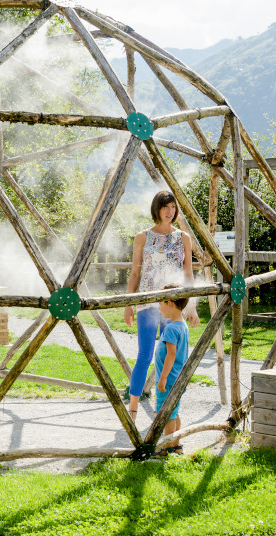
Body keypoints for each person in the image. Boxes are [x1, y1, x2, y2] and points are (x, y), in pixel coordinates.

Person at [124, 190, 199, 422]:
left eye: (173, 208)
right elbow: (135, 272)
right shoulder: (142, 237)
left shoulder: (183, 237)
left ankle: (167, 409)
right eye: (166, 207)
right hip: (147, 303)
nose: (170, 212)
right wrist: (128, 304)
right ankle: (133, 409)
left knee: (171, 356)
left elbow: (187, 273)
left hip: (173, 305)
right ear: (157, 208)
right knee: (145, 356)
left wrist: (191, 306)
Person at [154, 282, 190, 455]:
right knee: (174, 412)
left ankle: (167, 447)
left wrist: (162, 378)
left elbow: (171, 354)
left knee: (166, 413)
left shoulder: (170, 329)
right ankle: (177, 446)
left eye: (160, 303)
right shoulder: (182, 326)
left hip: (168, 380)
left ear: (170, 303)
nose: (159, 307)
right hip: (178, 378)